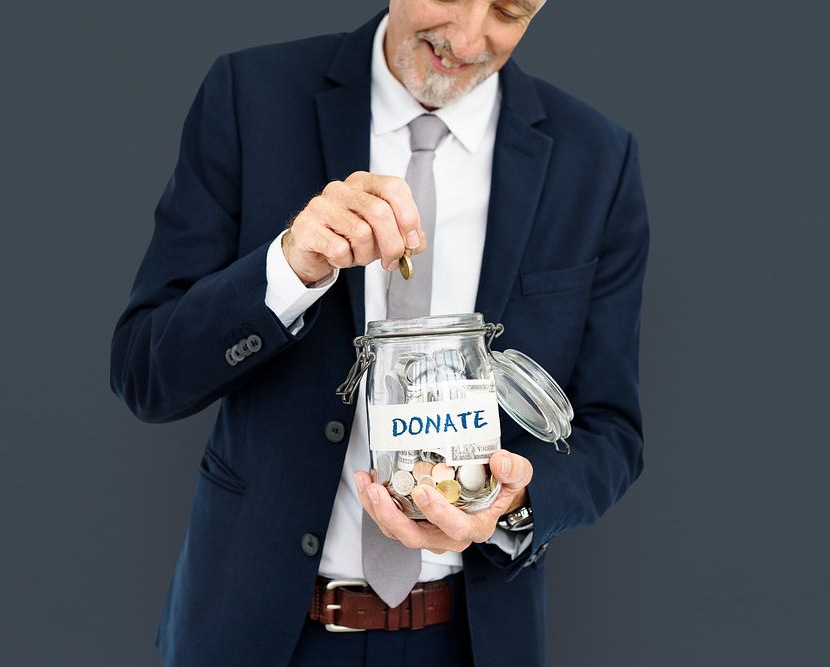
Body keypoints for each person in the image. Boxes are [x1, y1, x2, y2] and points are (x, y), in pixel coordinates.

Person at [110, 1, 649, 665]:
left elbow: (612, 430)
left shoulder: (597, 160)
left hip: (470, 639)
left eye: (509, 11)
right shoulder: (250, 97)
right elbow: (145, 371)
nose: (467, 38)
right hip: (255, 634)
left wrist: (516, 503)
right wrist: (287, 267)